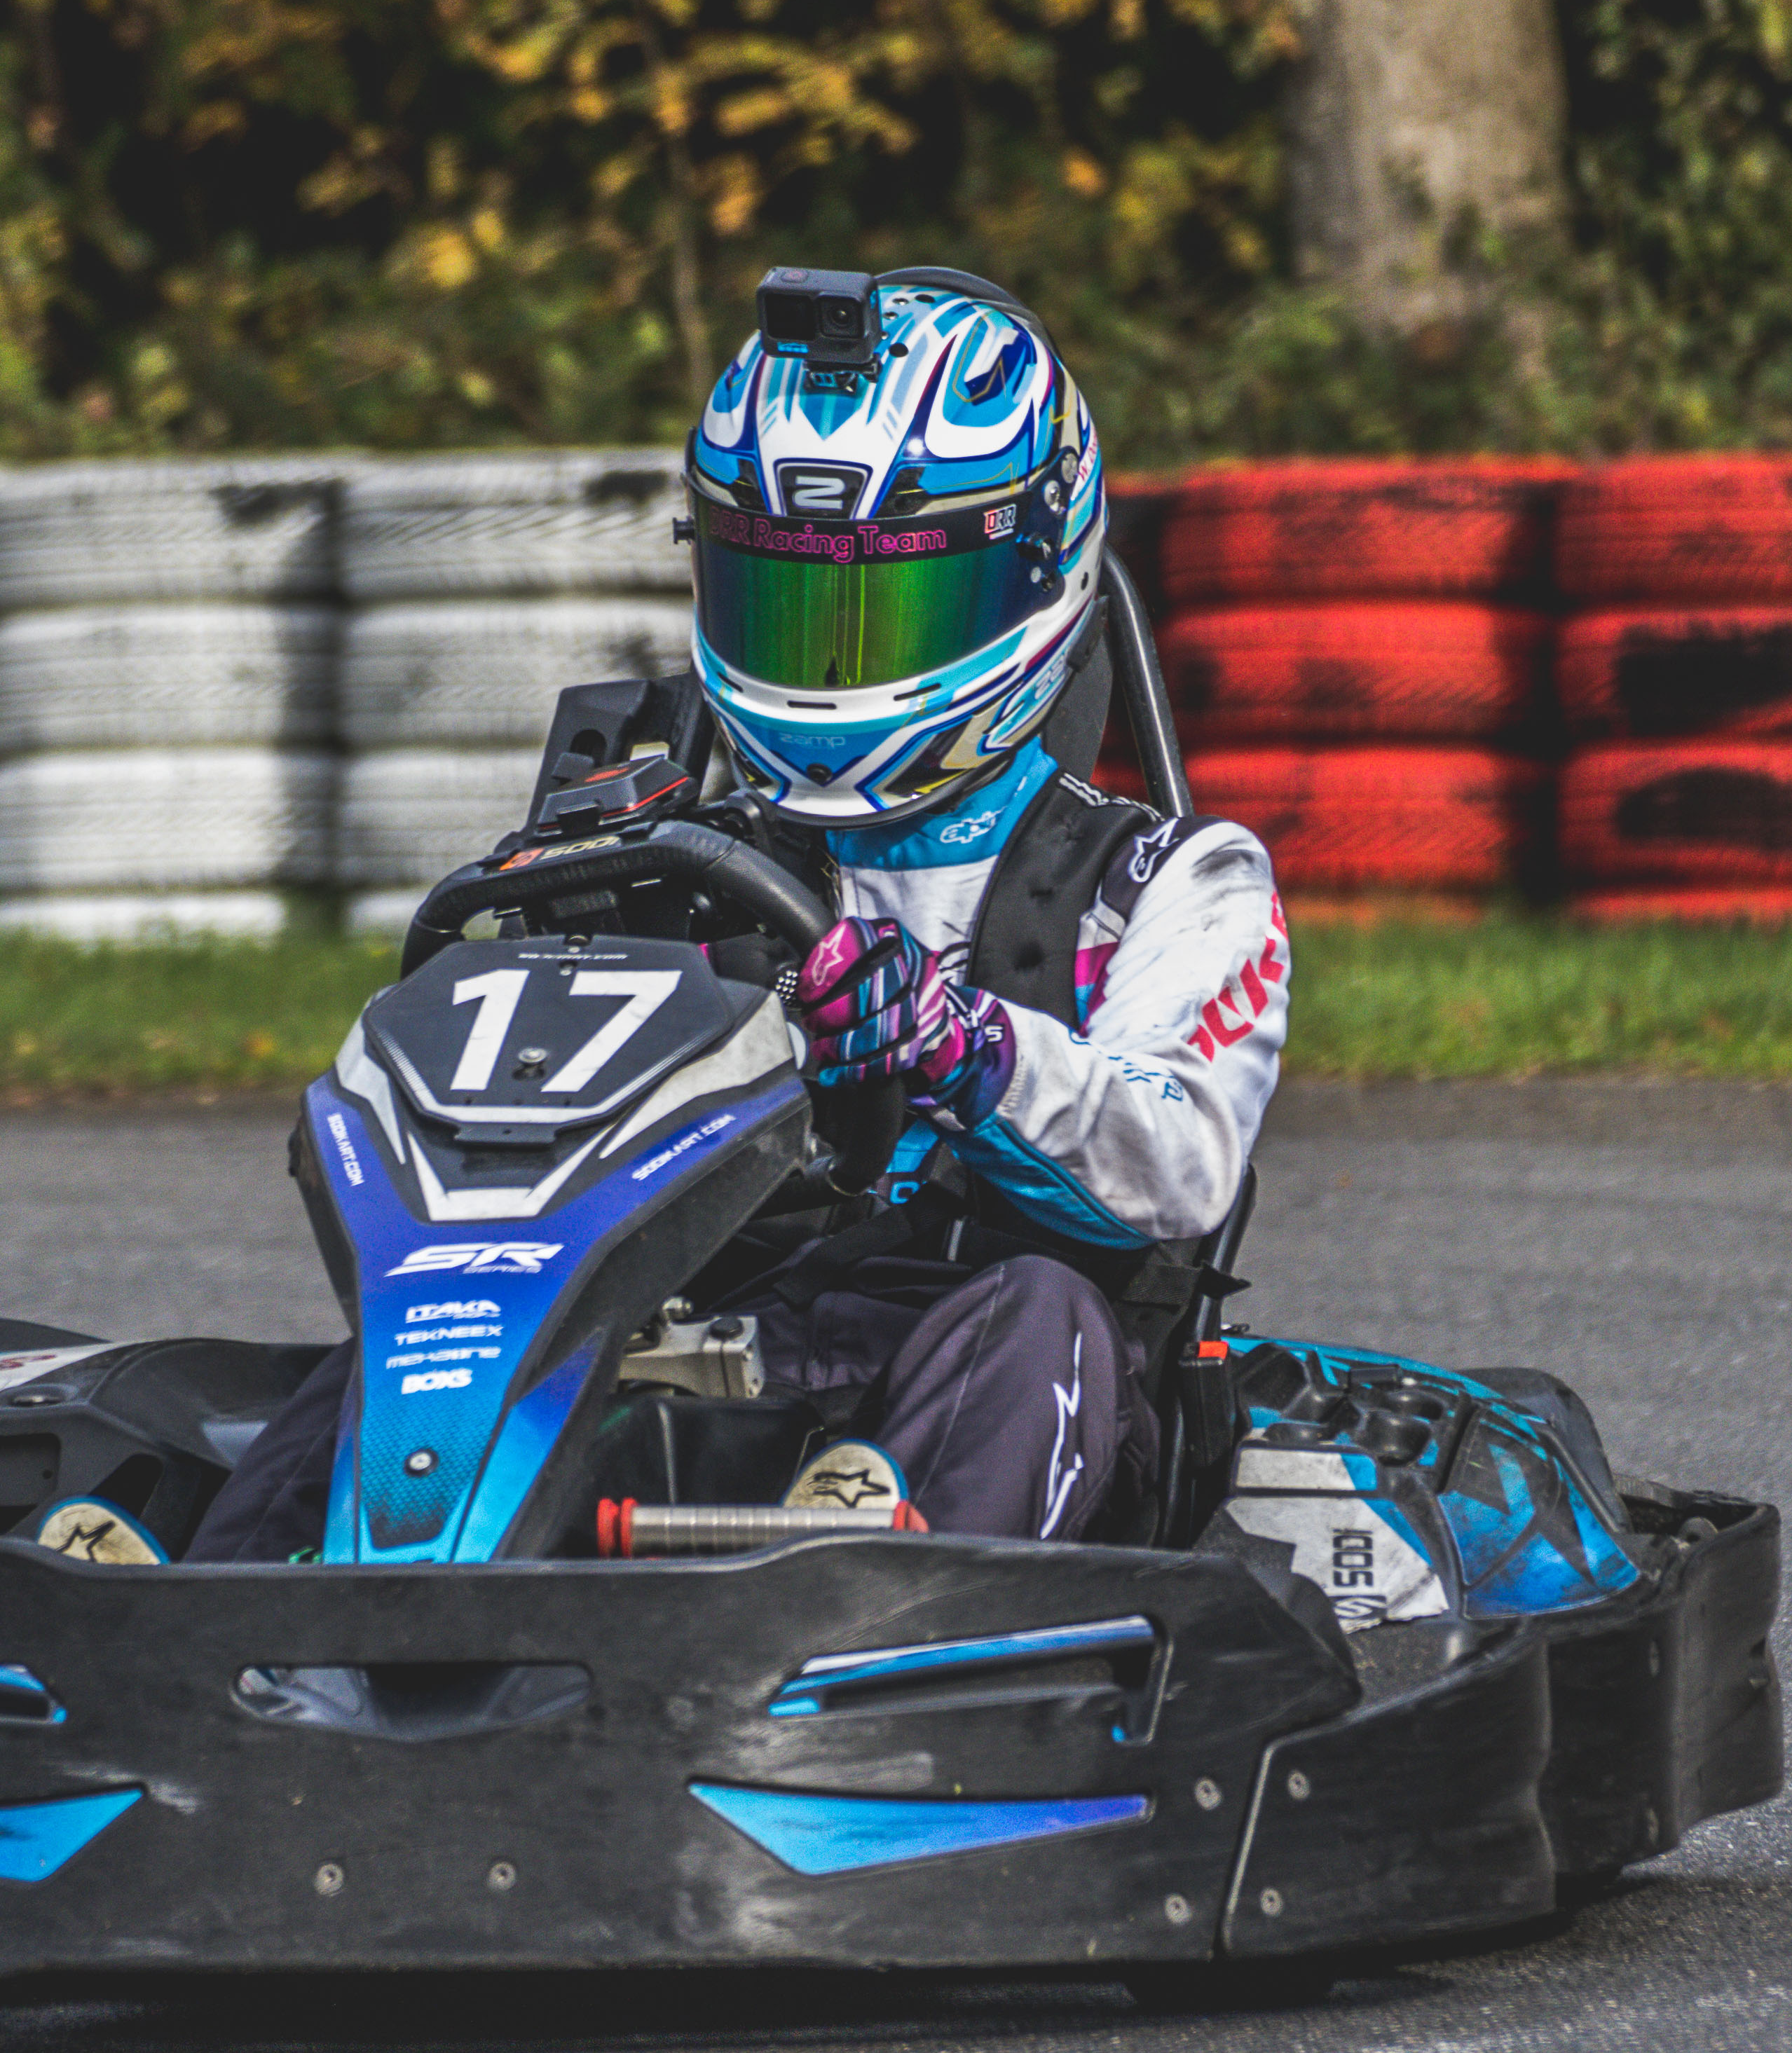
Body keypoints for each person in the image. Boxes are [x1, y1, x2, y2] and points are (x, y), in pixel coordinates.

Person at [192, 266, 1290, 1556]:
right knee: (418, 1342)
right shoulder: (664, 860)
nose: (831, 666)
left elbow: (1180, 1167)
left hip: (987, 1384)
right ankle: (222, 1601)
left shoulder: (1170, 879)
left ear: (1035, 570)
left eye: (890, 606)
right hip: (694, 1356)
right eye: (787, 599)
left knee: (1039, 1307)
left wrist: (963, 1049)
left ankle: (872, 1582)